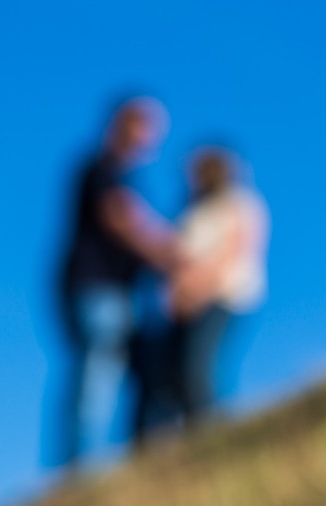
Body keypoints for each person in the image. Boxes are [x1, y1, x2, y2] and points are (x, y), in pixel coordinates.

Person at [57, 96, 177, 467]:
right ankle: (82, 470)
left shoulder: (125, 178)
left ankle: (129, 459)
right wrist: (172, 255)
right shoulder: (101, 170)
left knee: (122, 374)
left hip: (117, 295)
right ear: (127, 127)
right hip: (97, 290)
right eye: (148, 129)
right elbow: (122, 221)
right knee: (99, 374)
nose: (152, 140)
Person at [134, 147, 269, 436]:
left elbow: (235, 251)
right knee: (170, 375)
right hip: (184, 305)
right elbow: (174, 257)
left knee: (196, 366)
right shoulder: (191, 211)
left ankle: (210, 436)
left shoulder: (240, 203)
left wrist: (196, 288)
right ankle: (174, 439)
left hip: (225, 298)